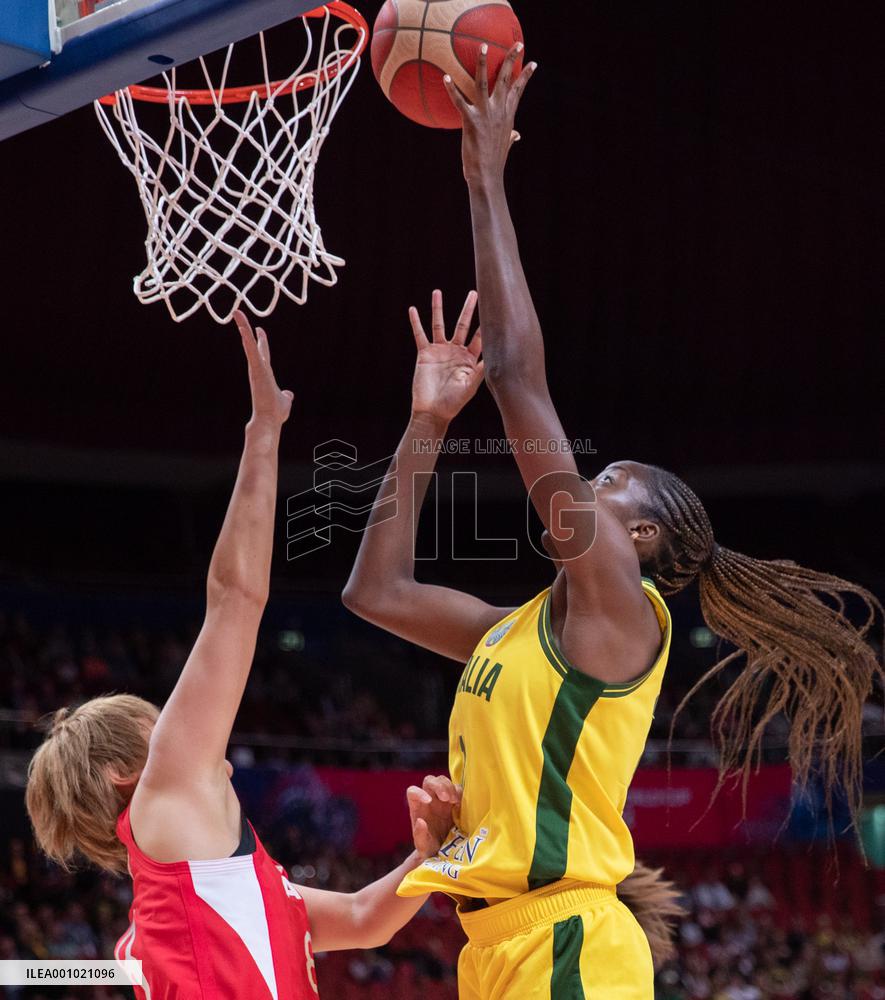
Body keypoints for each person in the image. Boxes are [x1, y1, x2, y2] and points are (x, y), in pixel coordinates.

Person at [343, 43, 883, 999]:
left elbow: (515, 378)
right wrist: (424, 425)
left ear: (636, 544)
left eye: (611, 481)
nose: (586, 477)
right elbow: (373, 592)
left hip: (569, 945)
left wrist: (483, 181)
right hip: (500, 943)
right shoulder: (513, 633)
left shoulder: (621, 616)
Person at [26, 313, 462, 1000]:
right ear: (122, 773)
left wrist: (436, 855)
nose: (176, 723)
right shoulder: (164, 794)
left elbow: (363, 918)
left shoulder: (191, 893)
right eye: (156, 723)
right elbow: (234, 598)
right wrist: (263, 434)